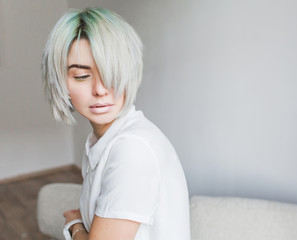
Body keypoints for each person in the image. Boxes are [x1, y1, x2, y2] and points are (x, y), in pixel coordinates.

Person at [41, 8, 190, 240]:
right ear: (60, 81)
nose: (100, 90)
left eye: (111, 72)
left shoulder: (132, 148)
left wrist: (75, 225)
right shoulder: (102, 139)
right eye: (82, 76)